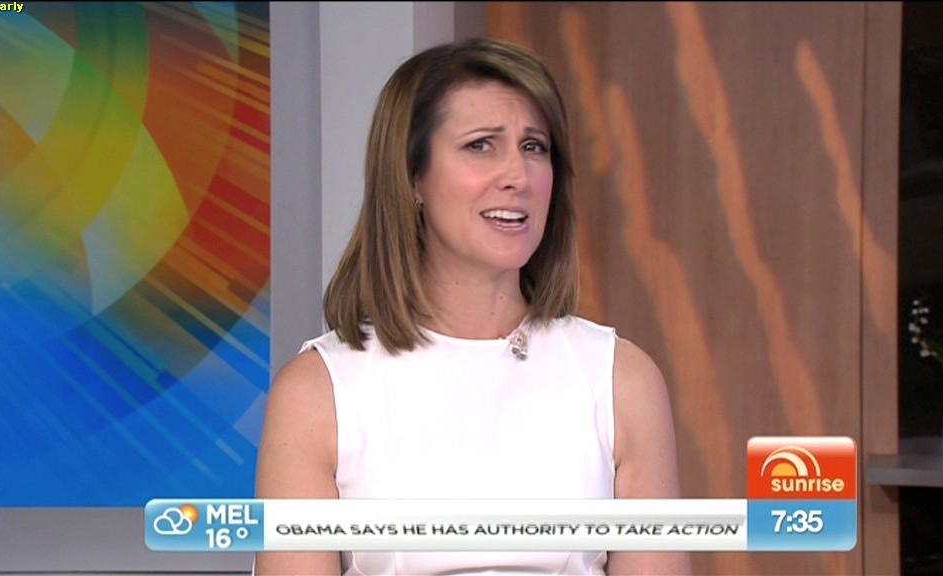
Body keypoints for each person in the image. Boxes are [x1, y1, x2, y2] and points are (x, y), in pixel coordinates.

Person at [254, 37, 691, 575]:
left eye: (534, 147)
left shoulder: (621, 380)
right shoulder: (317, 392)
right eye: (481, 145)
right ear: (412, 177)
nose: (518, 176)